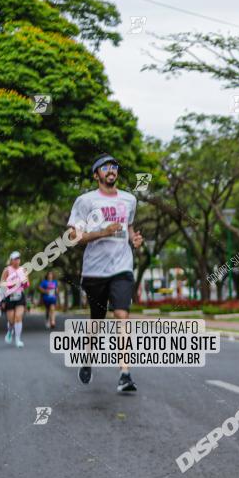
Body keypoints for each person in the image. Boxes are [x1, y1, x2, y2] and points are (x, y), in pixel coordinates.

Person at [68, 153, 144, 391]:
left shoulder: (129, 199)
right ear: (96, 174)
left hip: (122, 267)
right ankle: (88, 357)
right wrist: (103, 232)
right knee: (97, 321)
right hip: (94, 271)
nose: (111, 170)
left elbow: (129, 226)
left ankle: (125, 373)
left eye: (114, 166)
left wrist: (134, 238)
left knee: (122, 315)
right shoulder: (85, 201)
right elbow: (73, 237)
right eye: (105, 167)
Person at [0, 251, 30, 348]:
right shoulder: (7, 270)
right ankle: (10, 331)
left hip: (19, 296)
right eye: (15, 259)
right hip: (9, 297)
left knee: (18, 317)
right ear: (11, 260)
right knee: (11, 320)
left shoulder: (23, 270)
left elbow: (27, 285)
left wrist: (24, 282)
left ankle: (18, 339)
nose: (17, 261)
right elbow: (2, 285)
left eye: (18, 259)